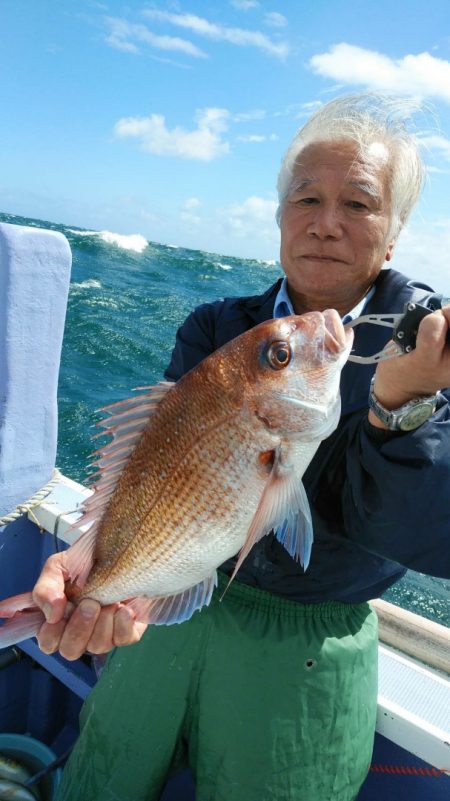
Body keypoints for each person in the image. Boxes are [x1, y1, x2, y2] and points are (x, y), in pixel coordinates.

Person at [37, 94, 450, 801]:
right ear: (280, 214)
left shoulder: (429, 351)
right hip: (162, 613)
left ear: (393, 234)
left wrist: (396, 407)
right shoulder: (218, 325)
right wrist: (93, 570)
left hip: (304, 650)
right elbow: (159, 470)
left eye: (358, 203)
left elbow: (430, 540)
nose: (326, 223)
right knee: (101, 778)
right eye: (307, 198)